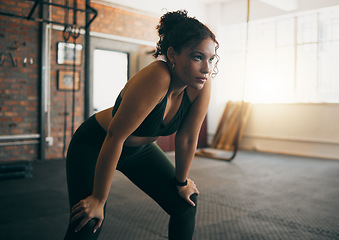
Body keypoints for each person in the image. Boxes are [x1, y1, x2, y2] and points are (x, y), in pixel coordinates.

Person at [64, 9, 219, 240]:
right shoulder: (157, 77)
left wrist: (181, 182)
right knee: (89, 220)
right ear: (173, 55)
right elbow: (115, 137)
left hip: (140, 150)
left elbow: (187, 138)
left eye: (211, 58)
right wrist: (98, 198)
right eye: (197, 57)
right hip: (95, 144)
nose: (206, 68)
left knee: (186, 203)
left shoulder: (202, 85)